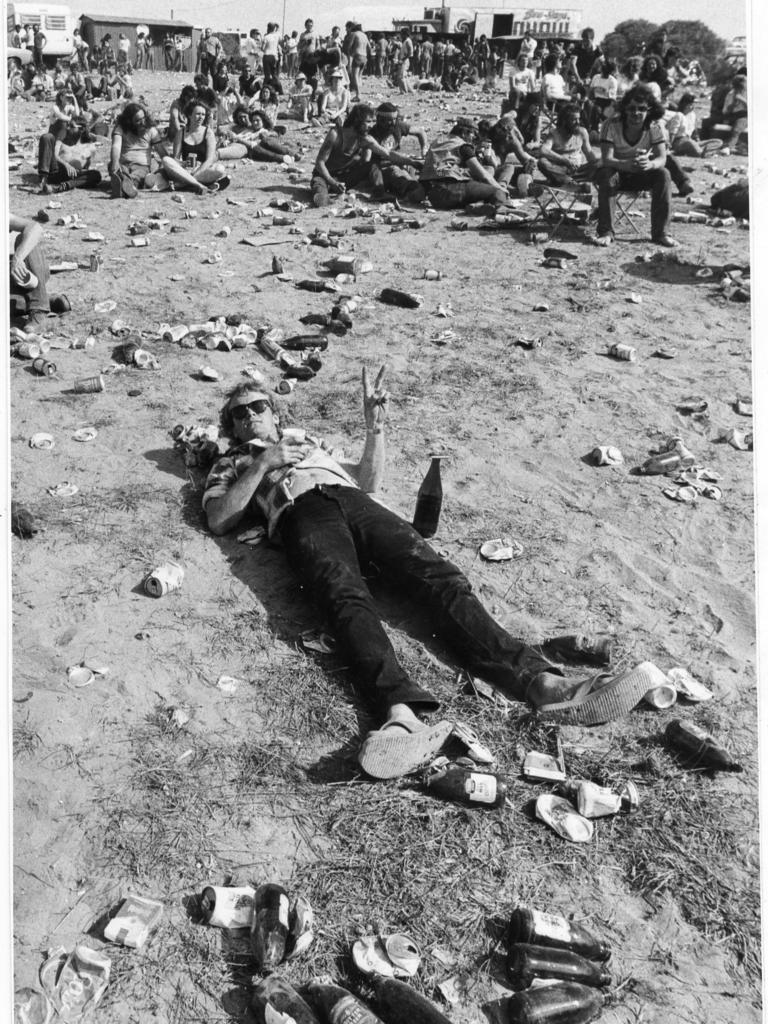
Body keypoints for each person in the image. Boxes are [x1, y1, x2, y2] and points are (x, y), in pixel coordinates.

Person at [203, 369, 652, 780]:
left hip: (354, 502)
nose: (248, 417)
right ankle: (399, 714)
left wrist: (374, 428)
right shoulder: (232, 463)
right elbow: (220, 518)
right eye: (237, 414)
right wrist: (264, 463)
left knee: (439, 576)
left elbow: (368, 480)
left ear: (274, 412)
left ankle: (544, 684)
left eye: (257, 407)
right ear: (231, 426)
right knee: (342, 595)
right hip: (301, 514)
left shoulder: (310, 441)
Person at [593, 84, 677, 248]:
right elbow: (607, 159)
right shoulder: (611, 124)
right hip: (616, 172)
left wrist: (650, 164)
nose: (636, 113)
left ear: (649, 110)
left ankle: (661, 233)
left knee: (663, 174)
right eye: (631, 108)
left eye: (642, 108)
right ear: (624, 109)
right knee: (606, 174)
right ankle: (606, 232)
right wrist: (625, 164)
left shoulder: (654, 127)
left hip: (639, 173)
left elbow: (662, 158)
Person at [311, 103, 419, 207]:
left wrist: (411, 162)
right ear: (357, 121)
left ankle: (379, 193)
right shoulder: (335, 135)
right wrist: (333, 182)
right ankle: (323, 194)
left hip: (346, 178)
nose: (371, 125)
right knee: (321, 193)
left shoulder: (364, 139)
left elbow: (387, 153)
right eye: (368, 121)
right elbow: (320, 163)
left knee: (372, 164)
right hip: (325, 176)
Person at [419, 117, 512, 210]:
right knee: (497, 192)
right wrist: (500, 189)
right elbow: (483, 175)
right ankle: (504, 211)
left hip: (433, 196)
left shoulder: (438, 141)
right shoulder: (463, 146)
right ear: (464, 133)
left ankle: (476, 206)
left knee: (478, 189)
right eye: (474, 134)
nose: (474, 137)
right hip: (450, 190)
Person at [9, 214, 70, 329]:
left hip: (26, 270)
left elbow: (35, 228)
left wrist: (18, 259)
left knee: (25, 239)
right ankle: (45, 301)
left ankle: (39, 310)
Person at [37, 92, 102, 194]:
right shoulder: (63, 138)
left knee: (96, 175)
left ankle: (60, 187)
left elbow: (86, 168)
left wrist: (79, 170)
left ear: (81, 130)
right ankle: (43, 178)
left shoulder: (90, 147)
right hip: (56, 170)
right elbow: (54, 154)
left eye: (71, 126)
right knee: (47, 137)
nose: (68, 128)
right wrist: (66, 165)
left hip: (70, 176)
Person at [161, 99, 230, 193]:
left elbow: (209, 159)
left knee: (219, 169)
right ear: (190, 115)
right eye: (198, 114)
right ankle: (199, 185)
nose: (201, 117)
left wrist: (196, 172)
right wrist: (183, 163)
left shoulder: (208, 133)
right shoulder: (181, 133)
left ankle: (184, 184)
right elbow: (176, 158)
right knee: (166, 160)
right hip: (185, 170)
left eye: (203, 114)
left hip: (201, 169)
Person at [109, 103, 168, 197]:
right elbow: (116, 146)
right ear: (129, 121)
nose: (143, 122)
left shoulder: (151, 130)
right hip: (123, 163)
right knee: (121, 171)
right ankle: (125, 186)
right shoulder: (120, 129)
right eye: (138, 121)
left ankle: (125, 186)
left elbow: (161, 151)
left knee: (138, 176)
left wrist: (168, 165)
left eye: (143, 118)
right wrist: (115, 163)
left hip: (141, 166)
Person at [537, 102, 598, 186]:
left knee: (599, 163)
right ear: (564, 121)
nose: (578, 122)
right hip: (559, 169)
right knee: (542, 162)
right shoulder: (554, 133)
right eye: (573, 119)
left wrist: (597, 164)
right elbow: (543, 150)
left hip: (578, 171)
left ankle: (566, 181)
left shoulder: (582, 132)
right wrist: (565, 160)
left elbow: (589, 154)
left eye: (578, 119)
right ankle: (572, 183)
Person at [665, 92, 722, 158]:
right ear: (685, 104)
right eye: (690, 104)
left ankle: (703, 150)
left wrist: (697, 140)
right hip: (679, 141)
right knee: (689, 144)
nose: (692, 107)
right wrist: (669, 147)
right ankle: (701, 153)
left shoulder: (692, 115)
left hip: (690, 140)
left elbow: (694, 131)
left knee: (718, 141)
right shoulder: (679, 115)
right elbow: (673, 133)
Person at [345, 22, 369, 102]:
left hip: (357, 56)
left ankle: (358, 95)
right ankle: (359, 93)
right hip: (364, 57)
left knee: (354, 76)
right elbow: (369, 47)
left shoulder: (353, 34)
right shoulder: (364, 35)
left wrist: (349, 54)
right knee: (359, 76)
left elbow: (349, 46)